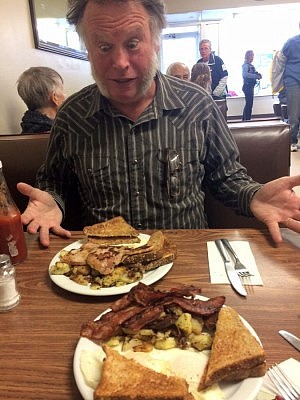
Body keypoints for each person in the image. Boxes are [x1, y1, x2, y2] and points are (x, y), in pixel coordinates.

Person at [17, 0, 300, 248]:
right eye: (103, 46)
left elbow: (225, 177)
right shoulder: (72, 116)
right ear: (88, 48)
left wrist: (253, 196)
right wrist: (53, 201)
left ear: (155, 40)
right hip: (102, 268)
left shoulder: (197, 105)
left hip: (187, 263)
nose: (119, 62)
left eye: (132, 43)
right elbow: (54, 182)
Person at [17, 66, 66, 134]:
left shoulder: (28, 127)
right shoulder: (56, 133)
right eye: (62, 90)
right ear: (55, 97)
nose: (65, 95)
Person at [281, 23, 300, 152]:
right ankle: (292, 141)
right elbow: (280, 62)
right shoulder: (291, 42)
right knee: (293, 114)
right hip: (293, 81)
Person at [241, 50, 262, 121]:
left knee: (249, 104)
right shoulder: (246, 65)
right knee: (249, 104)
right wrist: (255, 76)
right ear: (247, 56)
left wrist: (257, 75)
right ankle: (247, 119)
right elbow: (245, 75)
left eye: (253, 56)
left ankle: (245, 119)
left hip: (250, 86)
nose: (252, 57)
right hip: (247, 86)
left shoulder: (250, 66)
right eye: (251, 55)